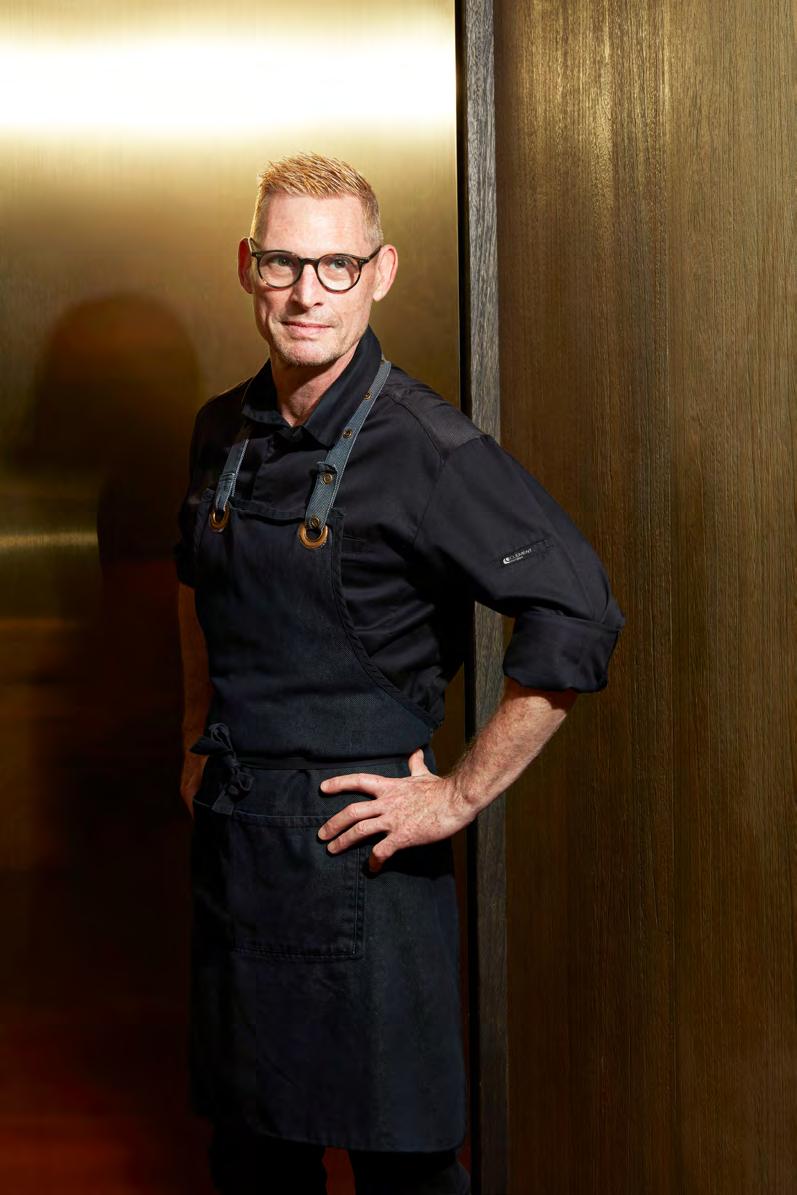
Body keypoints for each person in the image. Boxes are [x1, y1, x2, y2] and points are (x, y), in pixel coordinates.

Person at [174, 153, 624, 1195]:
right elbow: (192, 586)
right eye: (284, 263)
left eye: (336, 265)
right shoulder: (218, 432)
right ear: (248, 267)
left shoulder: (428, 447)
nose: (307, 293)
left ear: (379, 272)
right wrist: (191, 735)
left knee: (406, 1176)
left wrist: (456, 796)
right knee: (250, 1163)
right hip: (238, 855)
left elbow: (579, 609)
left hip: (365, 871)